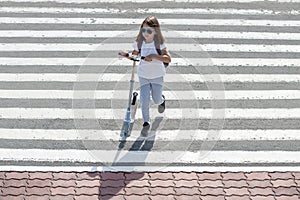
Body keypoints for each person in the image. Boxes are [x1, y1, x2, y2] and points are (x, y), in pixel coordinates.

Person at [120, 16, 171, 132]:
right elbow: (135, 56)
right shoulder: (139, 43)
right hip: (143, 75)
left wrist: (153, 56)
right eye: (143, 30)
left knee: (156, 99)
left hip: (157, 75)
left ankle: (162, 100)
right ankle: (146, 122)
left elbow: (168, 59)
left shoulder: (159, 44)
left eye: (149, 31)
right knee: (144, 100)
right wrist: (126, 55)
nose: (145, 33)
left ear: (155, 31)